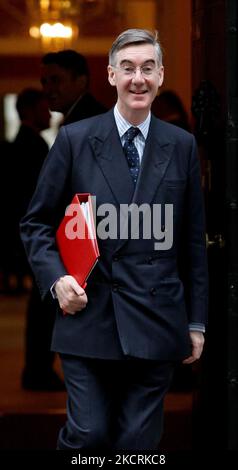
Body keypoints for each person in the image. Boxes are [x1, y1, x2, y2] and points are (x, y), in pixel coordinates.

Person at [20, 29, 208, 450]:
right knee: (90, 434)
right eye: (127, 68)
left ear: (160, 76)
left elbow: (193, 244)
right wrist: (56, 280)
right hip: (88, 318)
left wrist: (195, 322)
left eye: (147, 68)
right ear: (110, 76)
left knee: (137, 443)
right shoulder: (75, 139)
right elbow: (35, 223)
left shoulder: (181, 145)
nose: (137, 78)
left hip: (157, 318)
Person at [40, 49, 107, 124]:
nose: (47, 90)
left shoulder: (87, 121)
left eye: (55, 80)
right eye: (44, 82)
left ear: (81, 82)